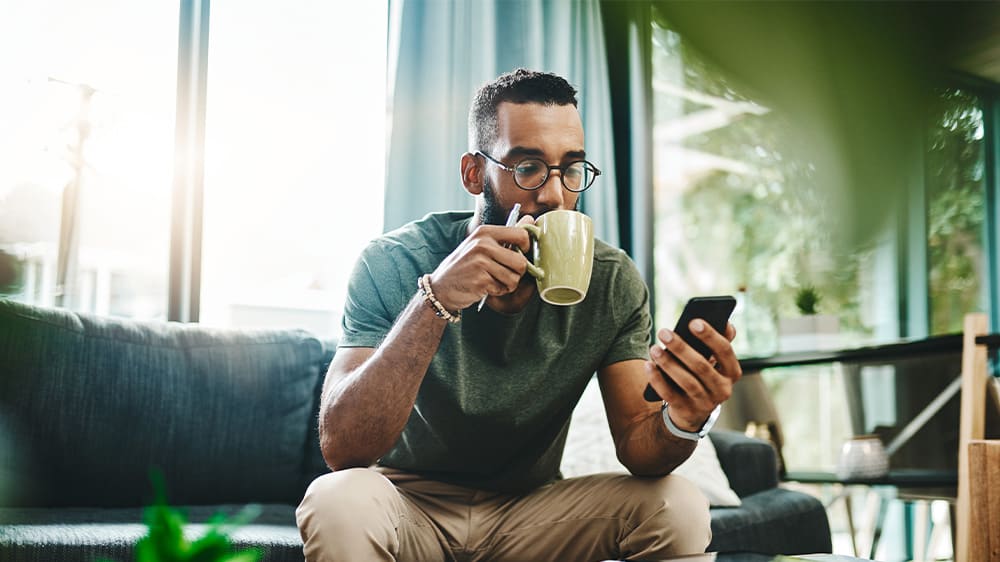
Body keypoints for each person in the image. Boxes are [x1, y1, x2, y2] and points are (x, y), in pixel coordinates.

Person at [296, 68, 742, 562]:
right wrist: (435, 301)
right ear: (473, 173)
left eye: (571, 169)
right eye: (527, 167)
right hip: (407, 503)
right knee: (335, 500)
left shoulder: (612, 280)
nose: (553, 195)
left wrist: (686, 415)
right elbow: (343, 448)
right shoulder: (394, 262)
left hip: (533, 513)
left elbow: (639, 447)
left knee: (678, 506)